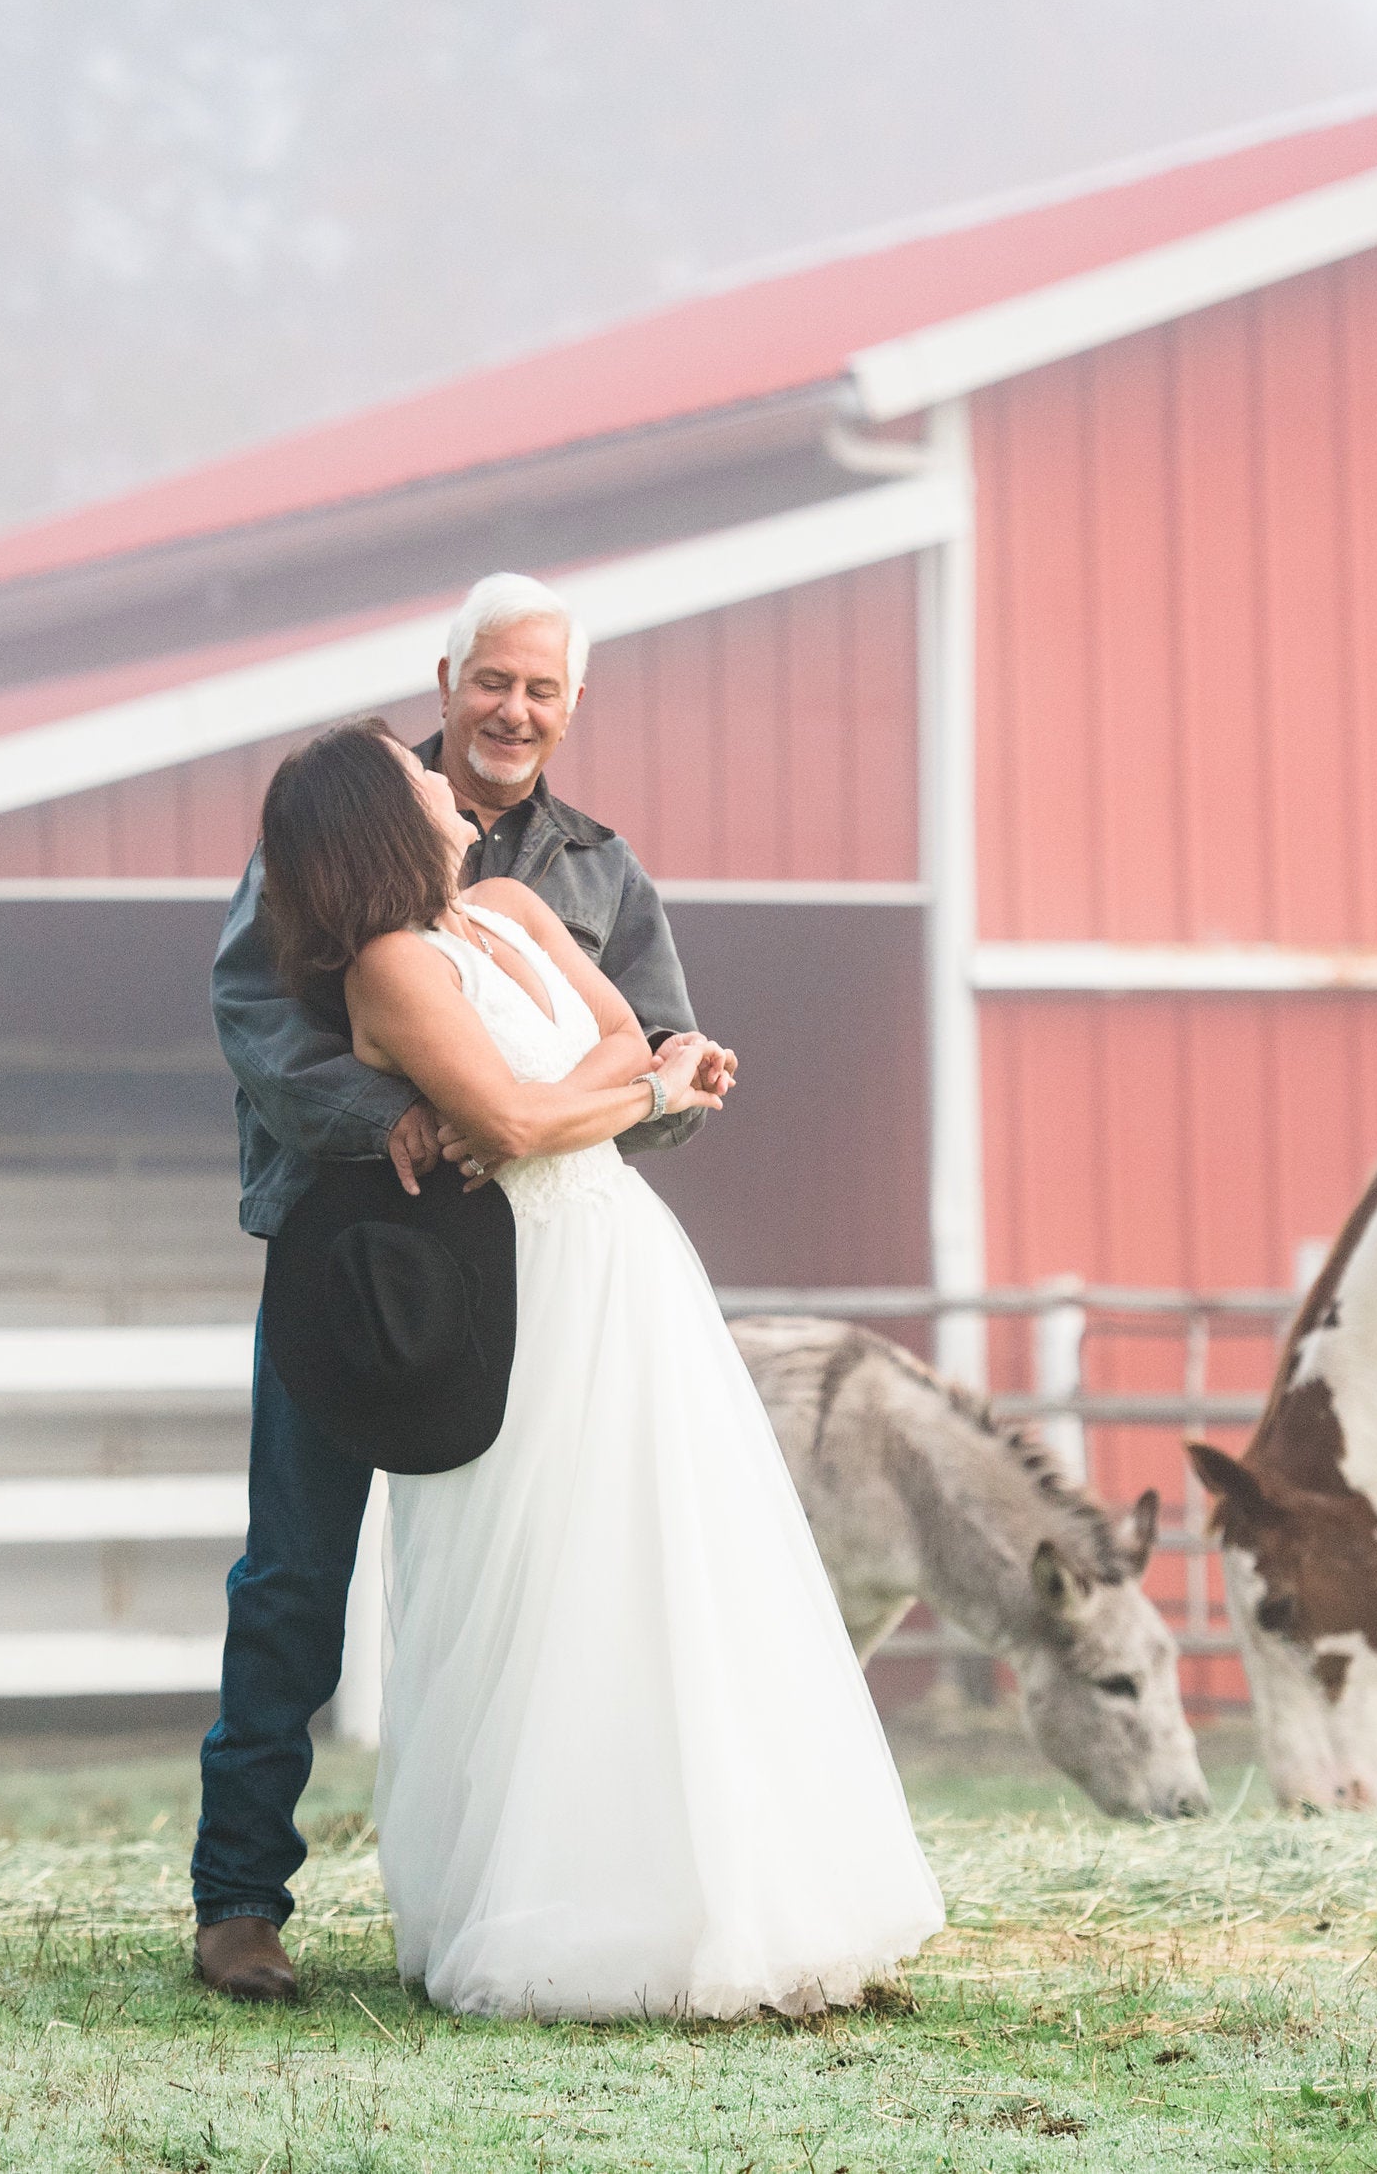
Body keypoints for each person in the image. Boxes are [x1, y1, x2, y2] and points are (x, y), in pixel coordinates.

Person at [255, 718, 942, 2018]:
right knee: (547, 1579)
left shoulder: (514, 907)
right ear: (374, 822)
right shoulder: (389, 969)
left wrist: (618, 1083)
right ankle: (561, 1904)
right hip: (517, 1282)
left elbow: (617, 1046)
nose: (445, 777)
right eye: (415, 775)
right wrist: (640, 1089)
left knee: (682, 1562)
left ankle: (733, 1889)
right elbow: (521, 1118)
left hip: (624, 1261)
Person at [194, 572, 718, 2000]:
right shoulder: (346, 812)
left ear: (573, 705)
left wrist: (681, 1082)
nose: (515, 710)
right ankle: (239, 1900)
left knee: (543, 1581)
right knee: (298, 1569)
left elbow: (650, 1048)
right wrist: (395, 1122)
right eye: (495, 680)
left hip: (523, 1268)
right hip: (348, 1250)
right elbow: (252, 1011)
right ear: (447, 678)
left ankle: (542, 1889)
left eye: (544, 689)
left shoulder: (597, 869)